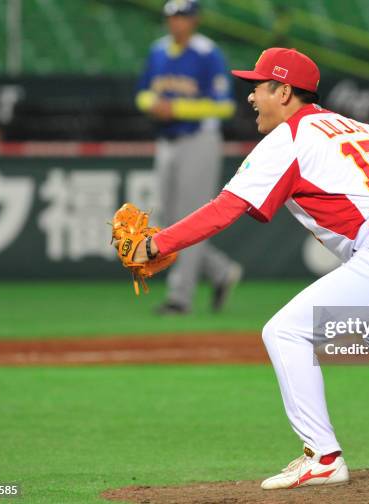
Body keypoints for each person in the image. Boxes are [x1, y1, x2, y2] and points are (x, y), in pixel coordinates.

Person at [126, 48, 369, 489]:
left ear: (284, 91)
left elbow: (226, 208)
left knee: (285, 332)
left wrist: (154, 244)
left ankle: (321, 457)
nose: (250, 97)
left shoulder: (288, 138)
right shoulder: (359, 126)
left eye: (257, 87)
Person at [135, 0, 242, 315]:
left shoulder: (207, 52)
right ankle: (221, 271)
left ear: (195, 20)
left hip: (199, 139)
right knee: (168, 221)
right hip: (167, 140)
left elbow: (225, 106)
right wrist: (150, 103)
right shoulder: (158, 51)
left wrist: (178, 108)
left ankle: (180, 298)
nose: (176, 23)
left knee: (188, 219)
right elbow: (141, 92)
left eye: (183, 17)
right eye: (172, 17)